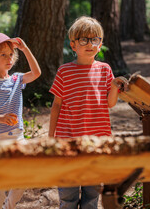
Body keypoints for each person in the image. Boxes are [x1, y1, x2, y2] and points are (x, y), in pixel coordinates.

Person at [49, 16, 128, 209]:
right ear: (73, 45)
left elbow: (109, 104)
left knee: (92, 195)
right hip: (68, 140)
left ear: (100, 44)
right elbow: (57, 105)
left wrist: (115, 86)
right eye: (84, 40)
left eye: (95, 40)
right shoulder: (64, 71)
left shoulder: (105, 70)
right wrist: (51, 137)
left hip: (97, 141)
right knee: (68, 195)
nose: (90, 44)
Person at [0, 33, 41, 209]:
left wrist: (25, 48)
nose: (9, 58)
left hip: (19, 138)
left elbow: (36, 72)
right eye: (3, 55)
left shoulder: (17, 79)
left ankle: (8, 207)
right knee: (2, 184)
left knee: (25, 177)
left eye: (11, 54)